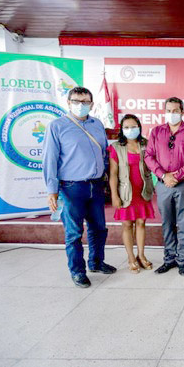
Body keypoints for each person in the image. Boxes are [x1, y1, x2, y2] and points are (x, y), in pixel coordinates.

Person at [42, 86, 116, 288]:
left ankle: (96, 262)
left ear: (91, 104)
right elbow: (49, 159)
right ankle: (77, 271)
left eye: (85, 102)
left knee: (99, 228)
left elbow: (104, 153)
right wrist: (52, 190)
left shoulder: (97, 124)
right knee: (74, 233)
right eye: (76, 101)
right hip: (71, 188)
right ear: (69, 102)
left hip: (96, 185)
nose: (81, 105)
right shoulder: (57, 126)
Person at [145, 97, 184, 276]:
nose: (172, 114)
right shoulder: (156, 132)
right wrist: (163, 175)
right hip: (163, 185)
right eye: (168, 110)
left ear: (183, 112)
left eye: (175, 111)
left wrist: (177, 176)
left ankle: (182, 259)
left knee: (183, 222)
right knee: (167, 223)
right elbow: (149, 156)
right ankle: (169, 259)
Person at [108, 114, 155, 274]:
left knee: (141, 223)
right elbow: (113, 174)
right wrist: (114, 195)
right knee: (127, 224)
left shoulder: (146, 144)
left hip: (143, 191)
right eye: (126, 127)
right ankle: (130, 258)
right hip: (125, 192)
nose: (130, 130)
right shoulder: (116, 147)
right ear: (122, 129)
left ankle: (141, 255)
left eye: (133, 127)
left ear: (139, 127)